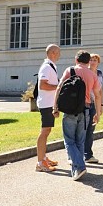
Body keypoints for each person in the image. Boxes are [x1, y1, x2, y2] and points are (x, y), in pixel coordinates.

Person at [53, 50, 102, 181]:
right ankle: (77, 169)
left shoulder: (70, 70)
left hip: (70, 110)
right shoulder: (93, 75)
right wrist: (97, 113)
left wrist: (55, 107)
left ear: (76, 60)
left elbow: (59, 87)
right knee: (80, 141)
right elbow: (97, 95)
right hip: (86, 110)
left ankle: (79, 167)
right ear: (88, 61)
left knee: (69, 140)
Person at [35, 44, 60, 172]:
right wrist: (58, 87)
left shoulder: (51, 66)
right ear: (53, 53)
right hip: (45, 104)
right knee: (44, 132)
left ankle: (43, 158)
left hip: (49, 104)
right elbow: (42, 86)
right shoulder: (46, 67)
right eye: (58, 52)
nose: (60, 54)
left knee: (47, 131)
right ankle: (40, 163)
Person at [83, 53, 103, 164]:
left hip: (95, 103)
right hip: (87, 102)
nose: (92, 62)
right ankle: (85, 154)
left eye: (95, 60)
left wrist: (100, 106)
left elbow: (100, 90)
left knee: (91, 130)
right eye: (91, 59)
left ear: (98, 62)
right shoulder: (86, 71)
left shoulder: (99, 73)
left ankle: (87, 154)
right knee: (85, 129)